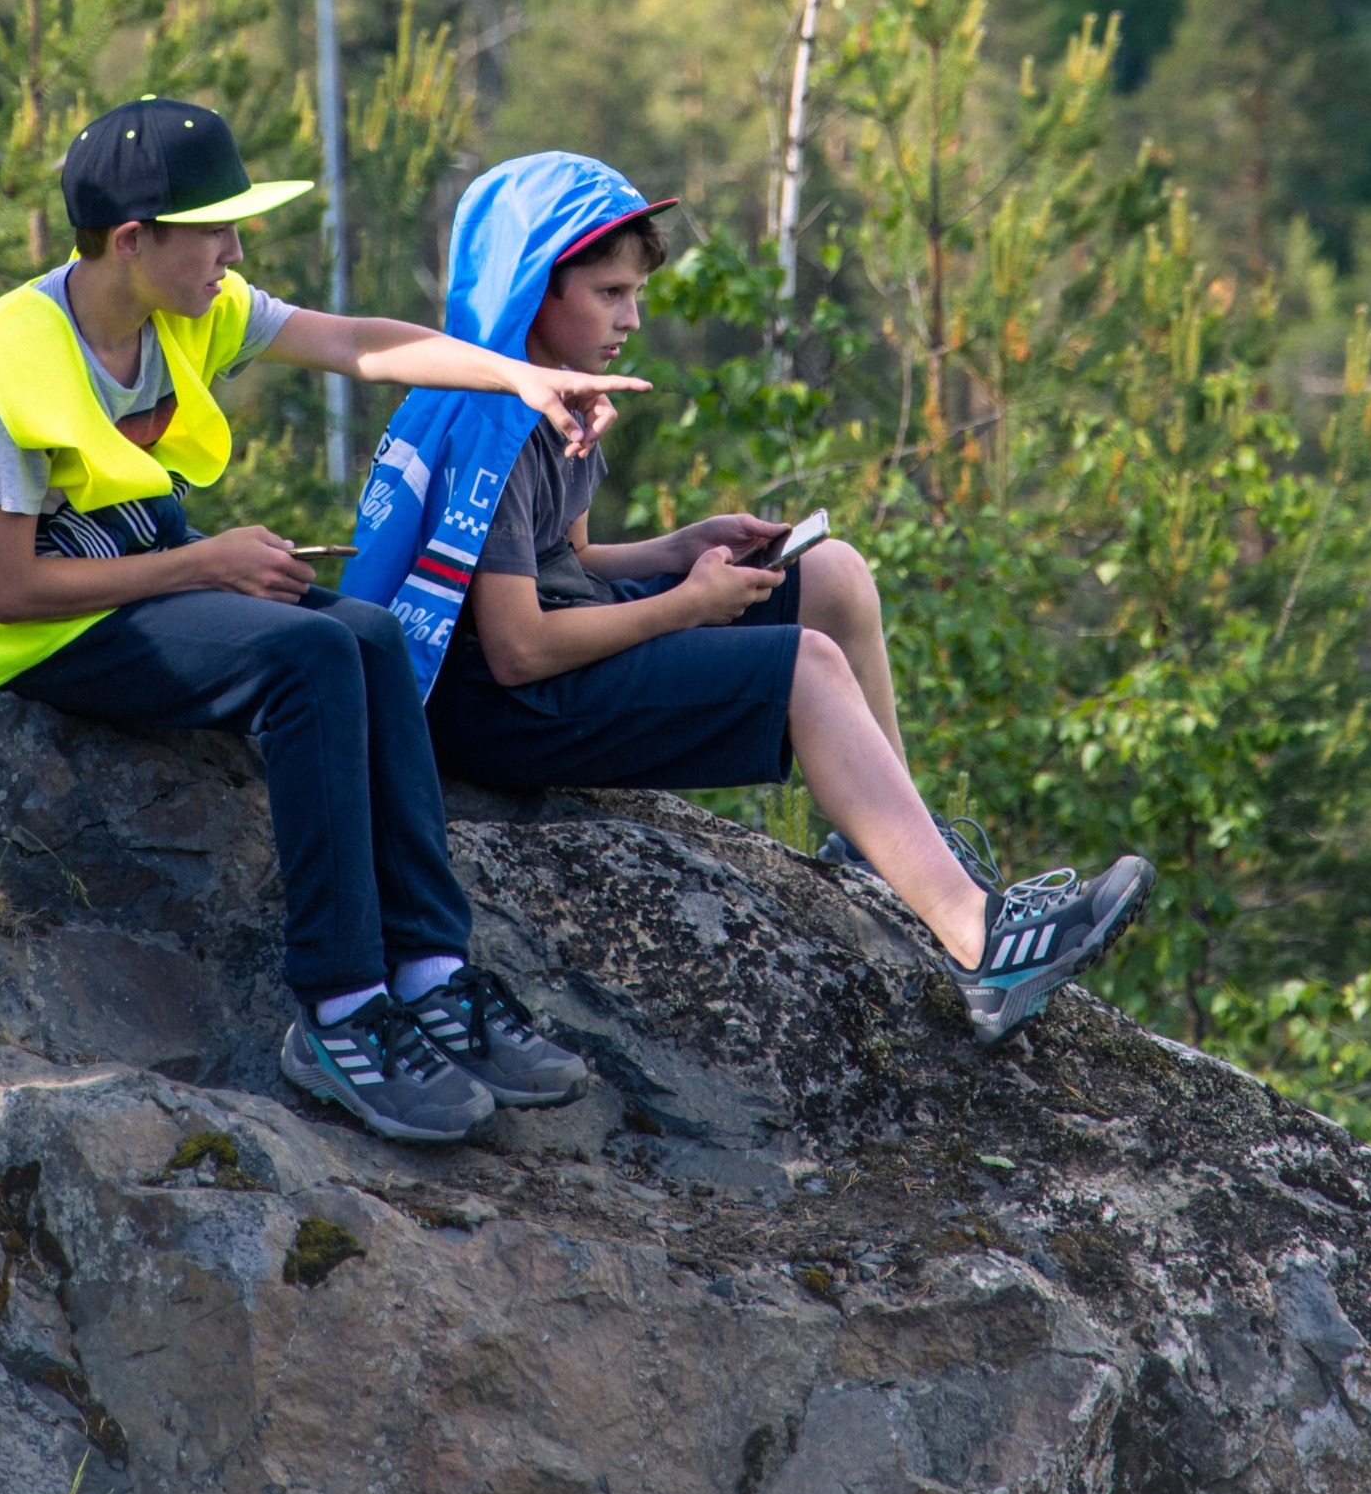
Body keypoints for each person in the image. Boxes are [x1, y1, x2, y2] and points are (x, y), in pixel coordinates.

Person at [0, 97, 639, 1147]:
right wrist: (207, 563)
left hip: (136, 576)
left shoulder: (185, 306)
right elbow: (12, 592)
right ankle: (339, 1006)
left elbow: (358, 343)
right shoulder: (12, 362)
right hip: (32, 628)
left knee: (366, 632)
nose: (234, 250)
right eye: (215, 229)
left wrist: (522, 375)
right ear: (133, 242)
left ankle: (433, 971)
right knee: (310, 654)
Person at [345, 151, 1153, 1047]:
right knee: (804, 667)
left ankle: (896, 856)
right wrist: (683, 605)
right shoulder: (489, 426)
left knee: (833, 574)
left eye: (635, 293)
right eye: (610, 293)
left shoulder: (544, 393)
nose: (632, 317)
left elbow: (565, 558)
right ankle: (981, 947)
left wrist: (683, 547)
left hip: (543, 649)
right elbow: (518, 648)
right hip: (498, 710)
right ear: (536, 284)